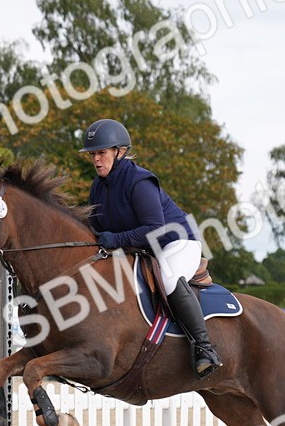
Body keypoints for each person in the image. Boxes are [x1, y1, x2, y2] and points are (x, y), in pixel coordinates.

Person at [80, 118, 221, 378]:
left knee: (168, 278)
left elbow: (154, 229)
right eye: (93, 154)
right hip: (143, 251)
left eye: (102, 152)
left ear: (119, 152)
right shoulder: (98, 187)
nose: (96, 159)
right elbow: (96, 229)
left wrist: (116, 240)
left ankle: (205, 348)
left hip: (176, 242)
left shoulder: (139, 180)